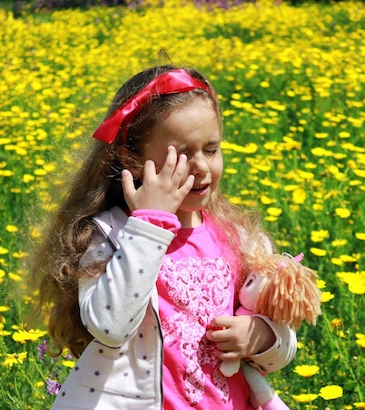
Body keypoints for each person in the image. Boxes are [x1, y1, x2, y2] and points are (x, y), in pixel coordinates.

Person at [26, 65, 297, 409]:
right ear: (132, 158)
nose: (200, 166)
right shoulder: (110, 236)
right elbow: (110, 326)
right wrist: (150, 225)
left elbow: (283, 348)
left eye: (211, 149)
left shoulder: (237, 238)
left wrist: (262, 335)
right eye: (182, 155)